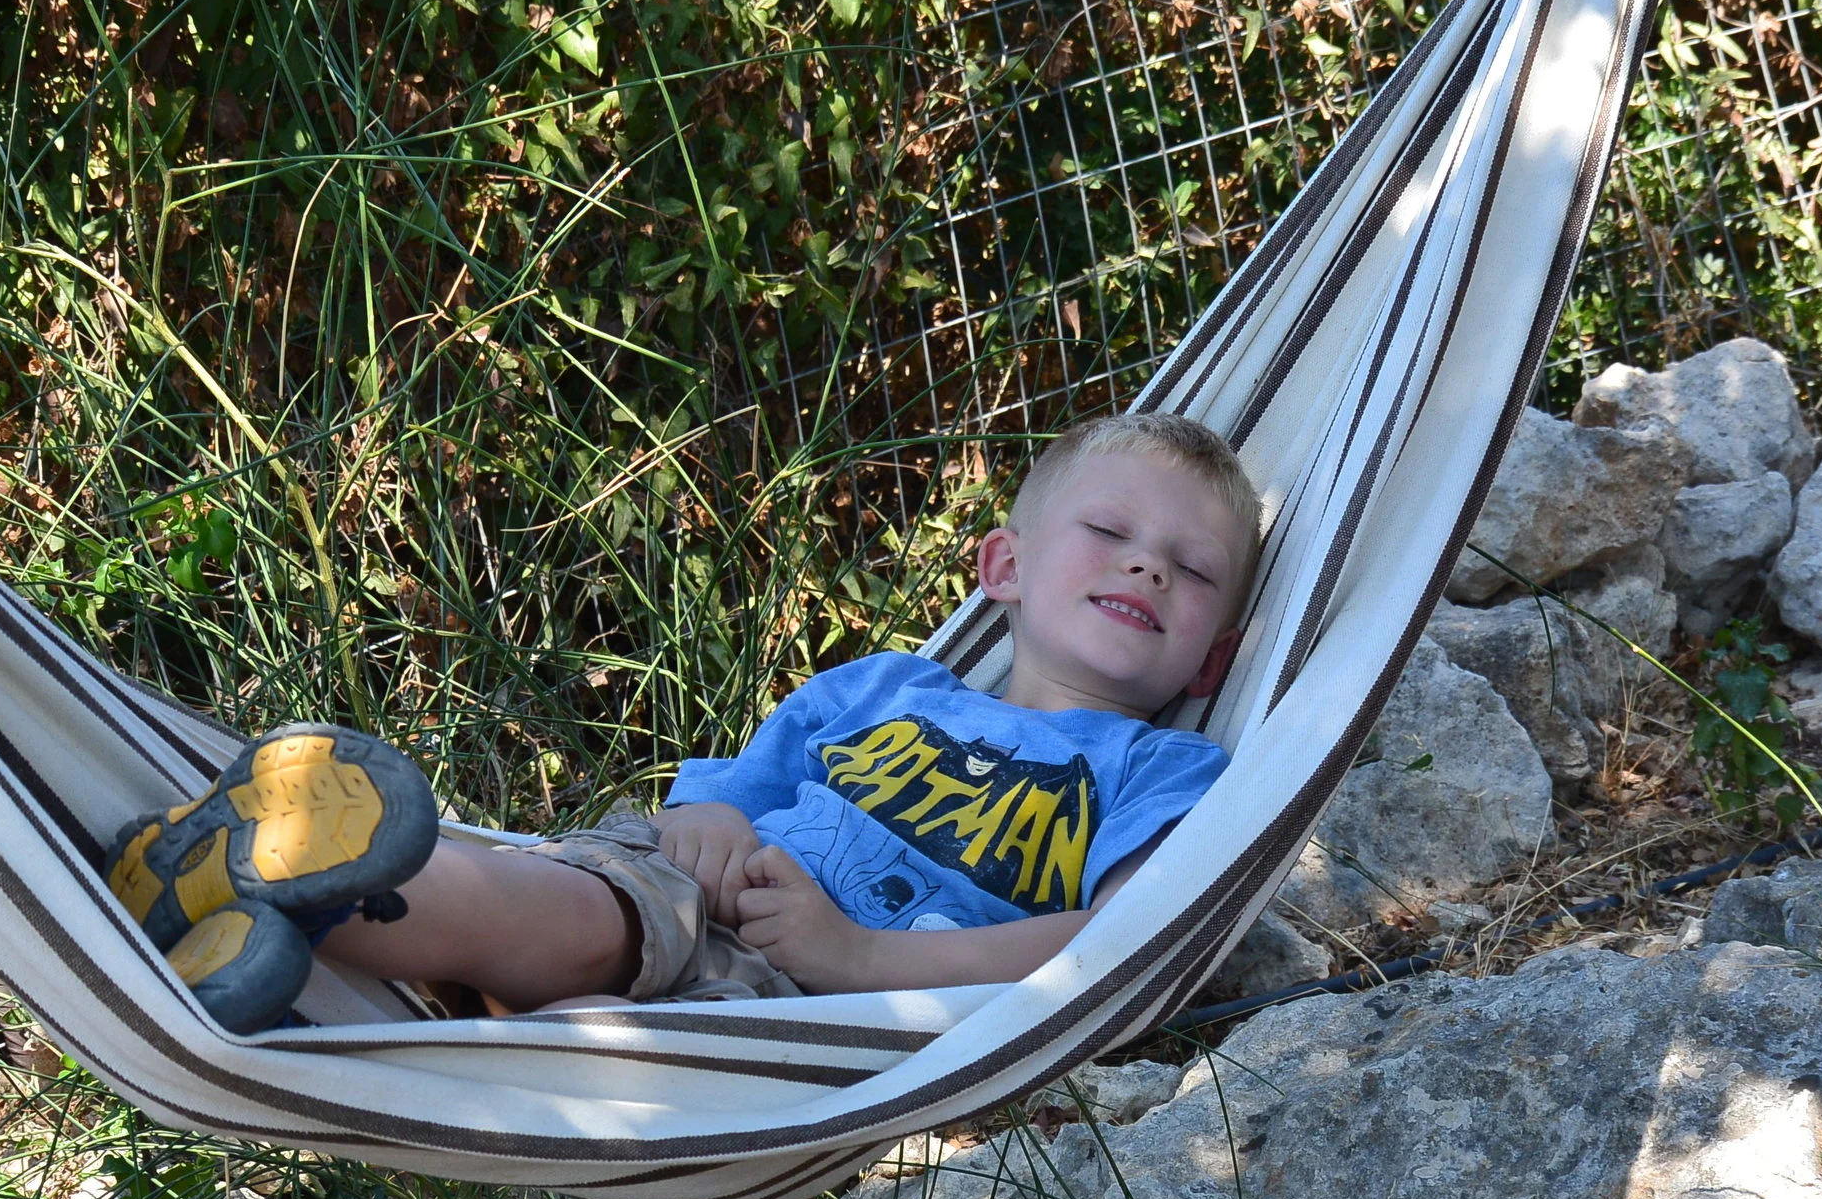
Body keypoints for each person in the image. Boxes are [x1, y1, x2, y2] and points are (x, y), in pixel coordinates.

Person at [104, 412, 1263, 1031]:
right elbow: (727, 799)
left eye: (1192, 568)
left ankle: (271, 957)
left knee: (604, 1045)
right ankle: (237, 878)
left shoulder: (1167, 770)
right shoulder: (887, 688)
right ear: (1000, 567)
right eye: (1110, 534)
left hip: (818, 1010)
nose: (1147, 568)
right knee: (575, 907)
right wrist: (704, 821)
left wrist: (860, 958)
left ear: (1215, 655)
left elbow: (1119, 944)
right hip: (680, 892)